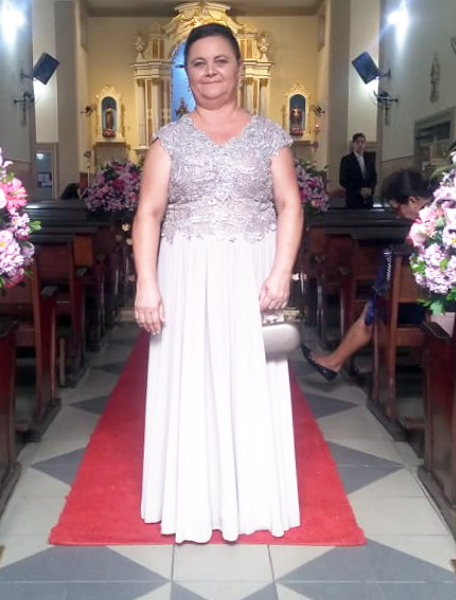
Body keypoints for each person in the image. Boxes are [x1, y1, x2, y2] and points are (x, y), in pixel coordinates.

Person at [132, 23, 304, 544]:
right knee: (191, 372)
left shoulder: (270, 136)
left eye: (220, 61)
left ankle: (253, 496)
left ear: (239, 68)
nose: (210, 72)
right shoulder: (169, 140)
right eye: (199, 63)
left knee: (250, 374)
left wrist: (281, 271)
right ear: (187, 73)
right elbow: (149, 212)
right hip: (186, 271)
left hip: (253, 271)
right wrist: (146, 284)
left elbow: (289, 205)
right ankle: (192, 498)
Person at [301, 169, 434, 381]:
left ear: (412, 200)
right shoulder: (439, 215)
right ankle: (334, 362)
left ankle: (334, 362)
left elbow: (393, 273)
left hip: (423, 306)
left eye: (396, 208)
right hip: (426, 303)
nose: (397, 215)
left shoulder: (429, 226)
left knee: (373, 308)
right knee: (373, 306)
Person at [339, 133, 377, 209]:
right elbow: (343, 180)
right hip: (353, 199)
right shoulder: (346, 159)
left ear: (365, 144)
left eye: (362, 142)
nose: (360, 145)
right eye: (357, 142)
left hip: (368, 200)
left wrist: (370, 189)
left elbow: (374, 177)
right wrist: (359, 190)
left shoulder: (369, 158)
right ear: (353, 144)